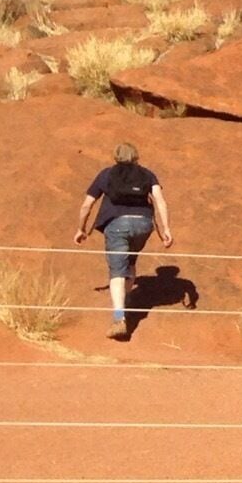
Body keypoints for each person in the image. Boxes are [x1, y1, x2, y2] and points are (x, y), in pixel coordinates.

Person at [72, 143, 175, 341]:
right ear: (136, 156)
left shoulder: (106, 174)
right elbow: (160, 201)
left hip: (117, 226)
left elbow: (87, 205)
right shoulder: (147, 174)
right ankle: (126, 302)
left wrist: (81, 229)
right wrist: (166, 229)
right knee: (131, 262)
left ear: (116, 156)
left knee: (117, 271)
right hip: (143, 226)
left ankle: (119, 318)